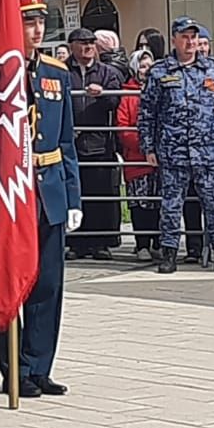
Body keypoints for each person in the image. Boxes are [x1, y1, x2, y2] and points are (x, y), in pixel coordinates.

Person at [0, 0, 81, 396]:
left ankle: (39, 366)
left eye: (40, 20)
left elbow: (67, 141)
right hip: (11, 192)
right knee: (11, 280)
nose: (36, 29)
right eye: (27, 21)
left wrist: (73, 196)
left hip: (49, 189)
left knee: (48, 284)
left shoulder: (57, 73)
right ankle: (13, 368)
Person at [138, 17, 214, 274]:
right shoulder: (161, 71)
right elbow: (147, 112)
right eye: (185, 36)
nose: (190, 42)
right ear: (174, 39)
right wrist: (149, 147)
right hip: (173, 152)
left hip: (208, 153)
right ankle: (169, 253)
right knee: (171, 205)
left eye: (194, 37)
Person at [66, 27, 121, 261]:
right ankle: (77, 243)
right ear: (72, 46)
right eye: (83, 42)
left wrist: (103, 94)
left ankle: (101, 243)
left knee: (100, 193)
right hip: (71, 143)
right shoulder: (63, 71)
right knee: (76, 194)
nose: (88, 46)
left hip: (99, 143)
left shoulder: (106, 72)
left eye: (91, 42)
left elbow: (116, 100)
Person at [117, 47, 160, 262]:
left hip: (160, 160)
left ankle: (158, 243)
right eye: (142, 66)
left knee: (159, 203)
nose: (146, 69)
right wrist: (145, 145)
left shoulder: (161, 89)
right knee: (139, 204)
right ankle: (142, 244)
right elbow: (123, 128)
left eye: (149, 65)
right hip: (136, 159)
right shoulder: (128, 94)